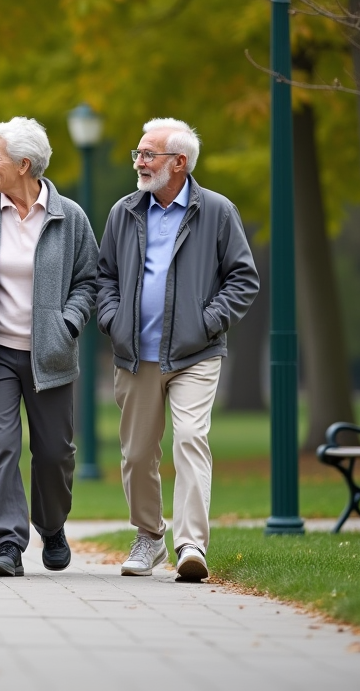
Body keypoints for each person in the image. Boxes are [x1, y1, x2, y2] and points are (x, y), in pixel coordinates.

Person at [97, 118, 258, 581]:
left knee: (190, 438)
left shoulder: (217, 211)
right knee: (137, 453)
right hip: (135, 355)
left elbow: (243, 278)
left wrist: (207, 323)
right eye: (139, 154)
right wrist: (112, 320)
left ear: (179, 163)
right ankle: (150, 538)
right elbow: (105, 276)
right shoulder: (124, 211)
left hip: (196, 354)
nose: (140, 163)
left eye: (149, 155)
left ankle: (191, 545)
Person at [0, 117, 98, 577]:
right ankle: (8, 545)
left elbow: (88, 281)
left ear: (24, 164)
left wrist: (68, 324)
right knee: (1, 451)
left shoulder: (69, 217)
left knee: (55, 453)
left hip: (50, 356)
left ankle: (51, 526)